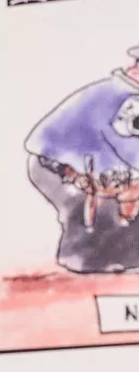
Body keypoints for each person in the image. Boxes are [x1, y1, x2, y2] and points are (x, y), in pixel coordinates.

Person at [23, 45, 139, 274]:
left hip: (80, 169)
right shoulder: (125, 97)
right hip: (56, 169)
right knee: (92, 213)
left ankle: (123, 257)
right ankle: (83, 259)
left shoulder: (122, 91)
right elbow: (129, 148)